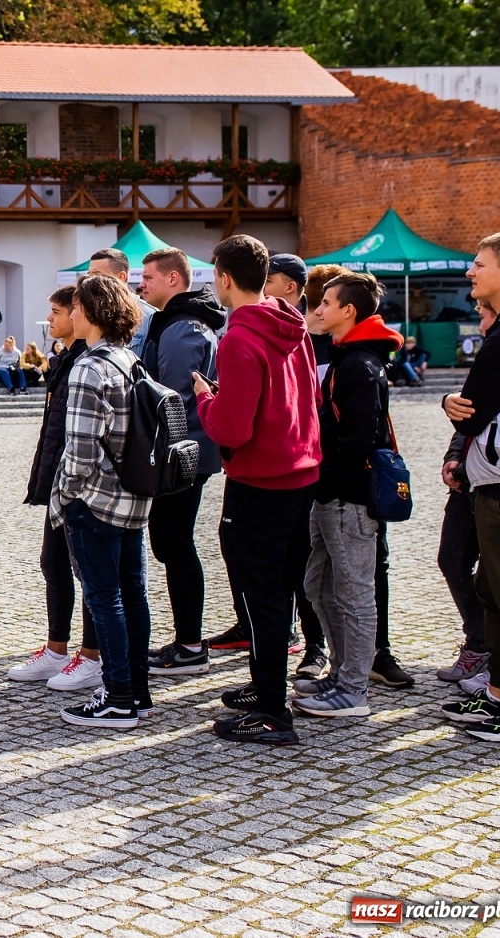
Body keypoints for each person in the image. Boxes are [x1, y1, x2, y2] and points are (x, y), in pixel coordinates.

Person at [191, 235, 321, 746]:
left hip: (260, 480)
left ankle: (272, 710)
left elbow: (233, 429)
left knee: (262, 596)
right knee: (280, 589)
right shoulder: (293, 325)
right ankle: (266, 684)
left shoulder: (240, 338)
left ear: (224, 277)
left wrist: (207, 401)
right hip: (299, 472)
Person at [293, 271, 400, 718]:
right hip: (331, 495)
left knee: (355, 592)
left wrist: (328, 483)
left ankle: (353, 688)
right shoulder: (350, 357)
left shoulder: (358, 364)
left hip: (347, 498)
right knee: (318, 583)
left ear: (347, 311)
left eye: (325, 303)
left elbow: (357, 439)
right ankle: (342, 672)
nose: (317, 310)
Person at [51, 273, 153, 728]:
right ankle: (137, 691)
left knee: (104, 598)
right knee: (133, 595)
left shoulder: (89, 367)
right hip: (132, 496)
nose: (71, 314)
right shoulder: (130, 359)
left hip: (96, 502)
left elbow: (81, 450)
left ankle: (117, 698)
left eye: (75, 307)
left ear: (90, 313)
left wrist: (67, 496)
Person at [136, 248, 225, 678]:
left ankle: (191, 644)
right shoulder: (175, 322)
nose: (141, 284)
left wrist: (158, 456)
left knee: (175, 542)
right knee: (171, 542)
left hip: (183, 453)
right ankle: (186, 640)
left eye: (149, 277)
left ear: (174, 279)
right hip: (184, 450)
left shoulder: (182, 328)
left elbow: (171, 399)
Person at [441, 230, 500, 740]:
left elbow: (470, 416)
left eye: (479, 264)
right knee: (493, 591)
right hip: (498, 486)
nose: (471, 271)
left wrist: (450, 404)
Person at [13, 285, 101, 688]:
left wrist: (66, 482)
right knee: (54, 563)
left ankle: (92, 655)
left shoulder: (87, 361)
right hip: (57, 480)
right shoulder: (64, 359)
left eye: (56, 311)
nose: (49, 319)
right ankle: (56, 649)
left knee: (86, 571)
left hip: (79, 484)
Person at [438, 300, 495, 687]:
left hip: (499, 484)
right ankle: (480, 641)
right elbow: (468, 418)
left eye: (485, 314)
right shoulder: (492, 356)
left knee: (496, 575)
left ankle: (489, 650)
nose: (481, 322)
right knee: (452, 560)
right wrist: (453, 456)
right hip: (468, 483)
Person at [88, 249, 155, 357]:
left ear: (121, 277)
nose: (90, 280)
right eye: (89, 275)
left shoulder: (149, 316)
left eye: (97, 275)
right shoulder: (86, 314)